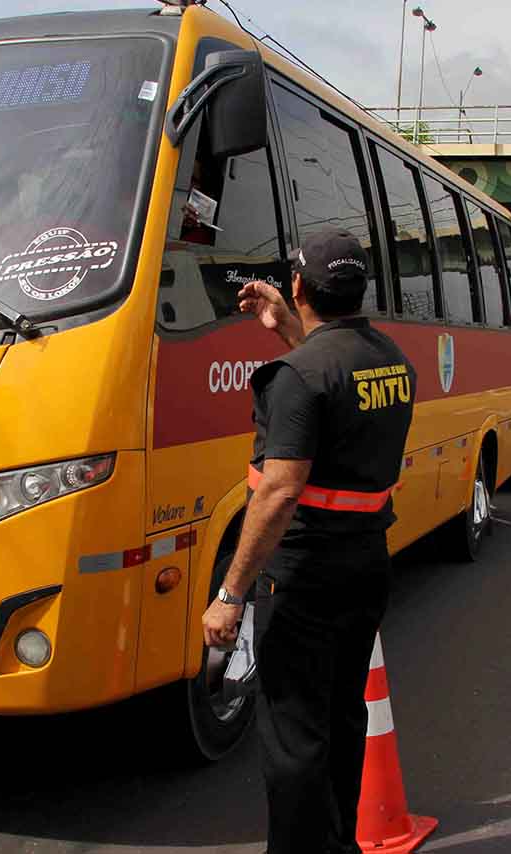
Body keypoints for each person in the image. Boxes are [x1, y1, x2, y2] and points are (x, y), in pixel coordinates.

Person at [201, 229, 416, 854]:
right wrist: (289, 330)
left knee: (294, 736)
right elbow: (336, 387)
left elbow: (279, 491)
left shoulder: (297, 376)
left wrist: (230, 594)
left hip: (304, 576)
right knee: (343, 719)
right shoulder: (390, 360)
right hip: (365, 564)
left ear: (298, 286)